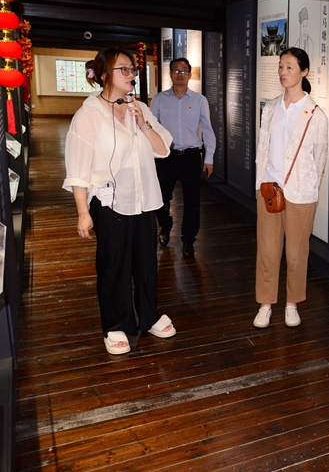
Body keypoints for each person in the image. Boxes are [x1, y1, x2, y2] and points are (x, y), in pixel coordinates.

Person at [63, 48, 176, 355]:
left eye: (132, 70)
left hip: (143, 198)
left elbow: (163, 149)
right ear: (104, 75)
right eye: (123, 69)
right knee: (114, 264)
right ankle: (116, 324)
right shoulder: (88, 115)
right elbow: (78, 169)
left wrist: (144, 124)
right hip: (109, 201)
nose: (131, 75)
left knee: (146, 261)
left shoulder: (140, 107)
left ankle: (149, 316)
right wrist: (82, 212)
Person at [253, 48, 328, 329]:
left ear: (304, 72)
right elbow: (264, 146)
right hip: (269, 188)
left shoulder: (316, 114)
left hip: (300, 193)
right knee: (267, 250)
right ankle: (265, 303)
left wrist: (306, 186)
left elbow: (319, 159)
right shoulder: (271, 107)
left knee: (296, 253)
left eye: (289, 67)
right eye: (280, 66)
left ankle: (292, 303)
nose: (283, 72)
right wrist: (261, 180)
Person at [151, 58, 216, 258]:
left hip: (190, 157)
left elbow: (208, 130)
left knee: (192, 201)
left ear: (190, 74)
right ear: (170, 73)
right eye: (176, 70)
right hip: (166, 157)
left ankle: (188, 239)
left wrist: (209, 158)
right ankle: (166, 224)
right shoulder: (159, 99)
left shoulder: (199, 100)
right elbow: (151, 129)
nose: (180, 74)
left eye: (184, 71)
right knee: (161, 198)